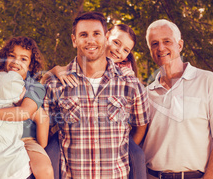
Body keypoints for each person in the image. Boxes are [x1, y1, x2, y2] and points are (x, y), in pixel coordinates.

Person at [43, 11, 149, 178]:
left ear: (105, 37)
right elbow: (43, 131)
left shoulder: (130, 84)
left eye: (96, 34)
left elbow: (140, 127)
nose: (90, 40)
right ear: (74, 40)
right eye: (83, 34)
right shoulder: (56, 84)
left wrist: (119, 152)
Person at [142, 19, 213, 179]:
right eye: (154, 43)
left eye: (166, 41)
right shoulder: (145, 93)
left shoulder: (207, 81)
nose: (161, 48)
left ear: (179, 45)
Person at [0, 36, 54, 179]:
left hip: (26, 140)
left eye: (23, 59)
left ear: (31, 65)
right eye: (12, 56)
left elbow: (29, 114)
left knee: (45, 170)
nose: (15, 62)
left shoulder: (33, 86)